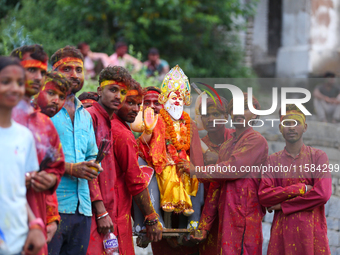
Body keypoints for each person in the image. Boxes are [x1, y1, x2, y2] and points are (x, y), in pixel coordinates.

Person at [135, 66, 204, 255]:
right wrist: (148, 130)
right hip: (159, 170)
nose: (151, 107)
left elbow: (197, 152)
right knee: (147, 175)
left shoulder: (188, 123)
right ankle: (150, 221)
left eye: (155, 102)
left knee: (197, 177)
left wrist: (192, 166)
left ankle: (191, 219)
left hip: (183, 167)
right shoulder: (151, 123)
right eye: (146, 103)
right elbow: (147, 145)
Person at [188, 93, 268, 254]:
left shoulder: (256, 140)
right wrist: (204, 226)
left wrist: (196, 171)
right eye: (235, 109)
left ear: (255, 114)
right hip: (226, 213)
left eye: (245, 108)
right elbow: (215, 187)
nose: (238, 113)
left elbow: (232, 168)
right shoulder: (226, 146)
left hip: (246, 215)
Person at [11, 45, 66, 255]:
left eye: (42, 72)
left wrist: (50, 180)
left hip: (35, 214)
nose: (38, 77)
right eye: (31, 69)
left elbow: (55, 167)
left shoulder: (44, 123)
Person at [48, 46, 102, 255]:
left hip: (83, 209)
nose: (74, 75)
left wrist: (94, 166)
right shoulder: (44, 110)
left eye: (78, 70)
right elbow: (32, 156)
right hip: (51, 208)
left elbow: (91, 154)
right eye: (67, 69)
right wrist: (70, 168)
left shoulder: (85, 115)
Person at [258, 104, 332, 255]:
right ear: (280, 128)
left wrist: (282, 206)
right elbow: (264, 195)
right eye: (286, 123)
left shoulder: (318, 157)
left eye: (296, 123)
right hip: (282, 234)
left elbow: (323, 194)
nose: (291, 127)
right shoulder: (272, 161)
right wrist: (302, 188)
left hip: (311, 233)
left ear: (305, 127)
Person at [0, 55, 46, 255]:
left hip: (19, 241)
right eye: (5, 82)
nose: (14, 88)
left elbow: (16, 191)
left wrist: (34, 223)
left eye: (19, 83)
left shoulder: (25, 137)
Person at [111, 79, 163, 255]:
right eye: (131, 103)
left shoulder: (120, 129)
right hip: (116, 211)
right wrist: (151, 218)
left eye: (138, 104)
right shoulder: (125, 135)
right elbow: (135, 179)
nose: (138, 109)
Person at [86, 65, 131, 255]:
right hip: (93, 211)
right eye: (113, 90)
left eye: (122, 92)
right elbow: (88, 167)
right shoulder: (90, 117)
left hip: (106, 211)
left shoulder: (109, 121)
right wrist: (101, 210)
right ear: (99, 91)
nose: (118, 96)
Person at [34, 71, 71, 243]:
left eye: (61, 96)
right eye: (51, 93)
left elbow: (51, 174)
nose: (56, 100)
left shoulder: (46, 126)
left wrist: (52, 217)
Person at [194, 96, 233, 255]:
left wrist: (218, 159)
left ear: (226, 117)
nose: (210, 119)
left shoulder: (238, 140)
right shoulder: (198, 145)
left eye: (216, 114)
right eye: (206, 115)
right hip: (205, 213)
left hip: (232, 209)